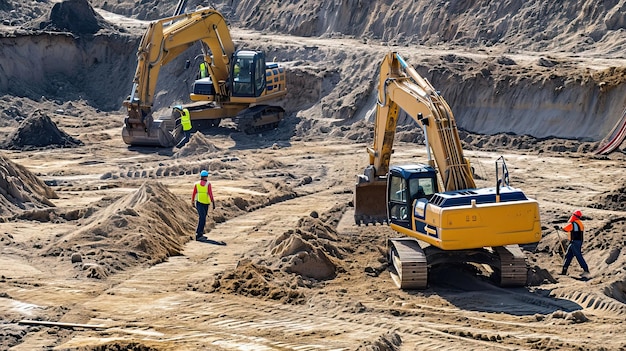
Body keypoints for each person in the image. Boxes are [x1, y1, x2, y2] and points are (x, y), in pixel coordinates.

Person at [560, 209, 590, 278]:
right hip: (576, 242)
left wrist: (559, 228)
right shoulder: (579, 223)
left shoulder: (574, 224)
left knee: (578, 256)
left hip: (575, 242)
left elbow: (565, 229)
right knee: (568, 255)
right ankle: (564, 271)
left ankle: (586, 271)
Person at [191, 170, 215, 240]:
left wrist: (192, 201)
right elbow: (210, 194)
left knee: (203, 218)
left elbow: (194, 193)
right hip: (201, 203)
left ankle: (200, 233)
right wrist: (213, 202)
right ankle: (198, 234)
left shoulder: (198, 184)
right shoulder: (207, 184)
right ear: (206, 176)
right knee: (202, 218)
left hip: (203, 203)